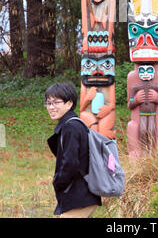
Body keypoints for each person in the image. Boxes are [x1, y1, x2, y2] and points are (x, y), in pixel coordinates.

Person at [45, 81, 101, 218]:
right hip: (82, 195)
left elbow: (71, 163)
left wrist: (58, 182)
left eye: (56, 102)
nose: (51, 107)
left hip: (80, 196)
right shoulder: (72, 125)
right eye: (48, 103)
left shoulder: (71, 127)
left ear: (69, 104)